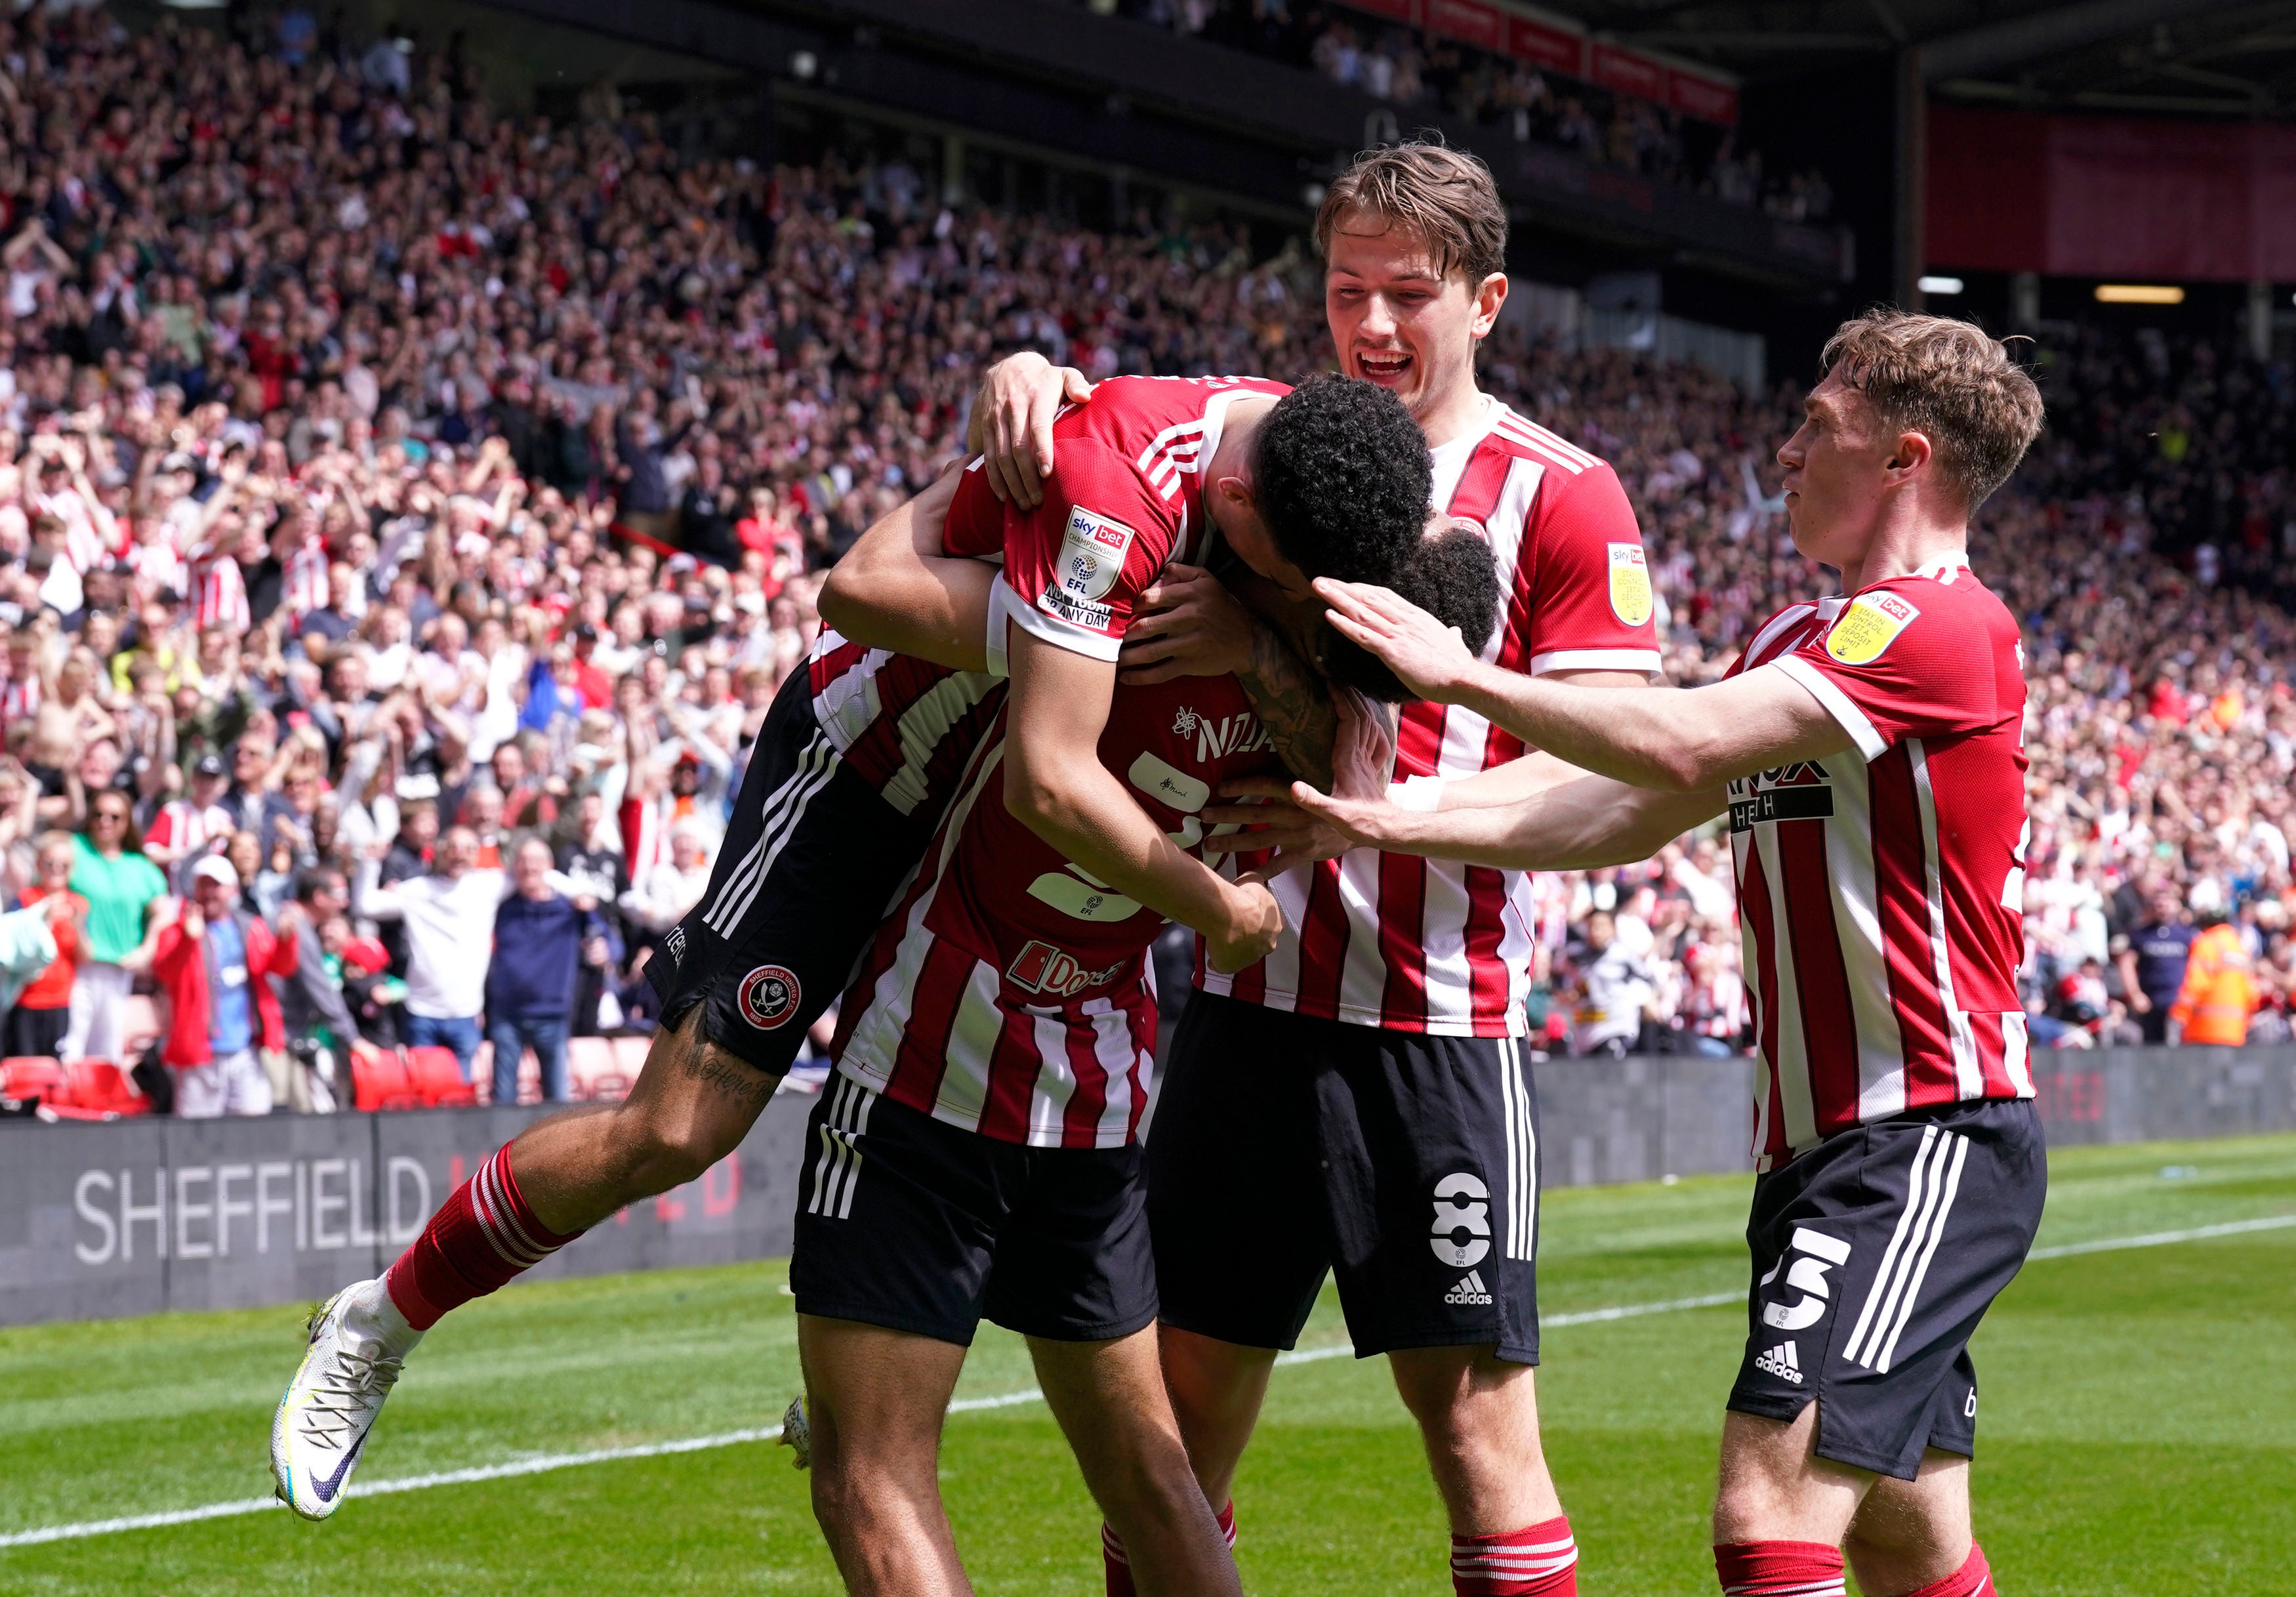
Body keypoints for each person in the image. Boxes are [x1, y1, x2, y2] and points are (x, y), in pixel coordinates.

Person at [268, 371, 1443, 1535]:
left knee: (1027, 1171)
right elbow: (877, 603)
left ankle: (863, 1381)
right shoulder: (1118, 470)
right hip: (872, 777)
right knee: (675, 1128)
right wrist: (1083, 635)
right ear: (1235, 499)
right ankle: (380, 1318)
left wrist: (1251, 646)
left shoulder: (1322, 482)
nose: (1299, 602)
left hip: (1019, 826)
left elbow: (1356, 759)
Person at [975, 140, 1658, 1596]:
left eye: (1409, 294)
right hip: (1244, 1005)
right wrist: (1033, 369)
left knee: (1479, 1439)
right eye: (1348, 288)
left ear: (1486, 301)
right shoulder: (1274, 447)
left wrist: (1375, 814)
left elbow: (1615, 759)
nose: (1372, 326)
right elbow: (1110, 463)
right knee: (1174, 1437)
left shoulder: (1564, 492)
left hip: (1437, 1026)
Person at [1281, 309, 2047, 1597]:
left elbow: (1680, 748)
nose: (1786, 449)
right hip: (1822, 1153)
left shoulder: (1939, 627)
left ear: (1907, 457)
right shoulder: (1795, 642)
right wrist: (1387, 815)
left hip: (1922, 1136)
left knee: (1769, 1512)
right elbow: (1623, 805)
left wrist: (1456, 678)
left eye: (1819, 425)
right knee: (1905, 1534)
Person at [152, 856, 304, 1119]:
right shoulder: (178, 930)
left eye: (216, 885)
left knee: (252, 1126)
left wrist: (286, 940)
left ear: (232, 889)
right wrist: (188, 940)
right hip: (201, 1053)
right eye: (204, 885)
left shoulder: (250, 927)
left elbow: (280, 967)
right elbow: (165, 972)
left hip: (245, 1049)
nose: (210, 892)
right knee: (195, 1135)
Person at [350, 825, 502, 1081]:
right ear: (439, 852)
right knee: (426, 1098)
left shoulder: (489, 886)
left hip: (465, 1014)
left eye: (467, 849)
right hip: (422, 1012)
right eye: (452, 848)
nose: (459, 855)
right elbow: (365, 905)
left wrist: (583, 896)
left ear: (477, 854)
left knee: (463, 1096)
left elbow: (539, 875)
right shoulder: (418, 890)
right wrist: (370, 862)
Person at [485, 836, 608, 1104]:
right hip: (507, 1015)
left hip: (552, 1015)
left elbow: (609, 941)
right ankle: (501, 1149)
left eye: (536, 861)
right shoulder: (500, 907)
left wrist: (604, 950)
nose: (529, 868)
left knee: (557, 1104)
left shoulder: (571, 908)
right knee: (502, 1103)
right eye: (522, 861)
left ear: (550, 867)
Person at [62, 790, 169, 1063]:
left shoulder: (139, 865)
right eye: (98, 814)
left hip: (120, 968)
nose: (104, 822)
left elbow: (165, 911)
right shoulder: (75, 849)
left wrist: (148, 947)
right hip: (76, 965)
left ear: (126, 823)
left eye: (114, 816)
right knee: (71, 1044)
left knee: (109, 1046)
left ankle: (100, 1104)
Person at [273, 866, 379, 1111]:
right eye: (340, 894)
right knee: (287, 1110)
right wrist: (354, 1039)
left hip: (285, 1032)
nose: (345, 902)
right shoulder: (296, 925)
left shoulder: (297, 922)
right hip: (279, 1033)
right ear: (319, 897)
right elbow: (319, 989)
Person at [7, 832, 85, 1060]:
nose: (56, 870)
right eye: (50, 863)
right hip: (25, 1000)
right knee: (24, 1070)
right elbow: (12, 949)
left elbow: (85, 956)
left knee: (53, 1073)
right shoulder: (24, 899)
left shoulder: (79, 903)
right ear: (39, 864)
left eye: (64, 865)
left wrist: (78, 926)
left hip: (61, 1001)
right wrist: (42, 920)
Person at [2116, 888, 2195, 1045]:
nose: (2162, 907)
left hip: (2178, 1003)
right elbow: (2126, 964)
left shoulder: (2187, 935)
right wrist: (2135, 994)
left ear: (2176, 905)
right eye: (2158, 904)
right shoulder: (2140, 934)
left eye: (2167, 902)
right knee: (2151, 1048)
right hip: (2150, 1003)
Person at [2171, 902, 2257, 1047]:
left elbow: (2197, 984)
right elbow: (2252, 991)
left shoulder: (2206, 943)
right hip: (2235, 1031)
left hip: (2204, 1029)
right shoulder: (2239, 947)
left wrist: (2179, 1013)